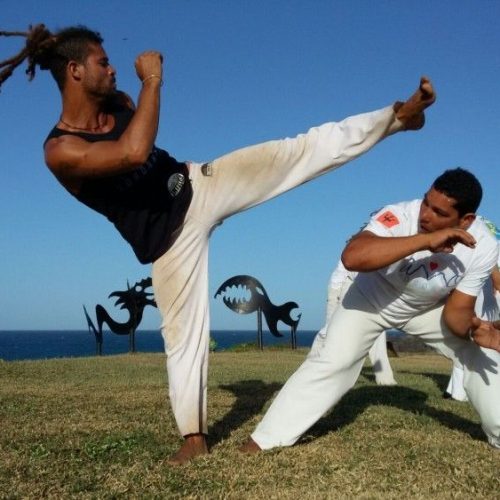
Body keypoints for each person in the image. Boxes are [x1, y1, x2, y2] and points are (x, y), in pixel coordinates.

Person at [0, 25, 436, 464]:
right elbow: (133, 153)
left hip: (196, 186)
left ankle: (397, 118)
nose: (113, 68)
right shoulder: (61, 150)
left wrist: (143, 92)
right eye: (102, 61)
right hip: (167, 241)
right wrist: (152, 79)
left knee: (293, 153)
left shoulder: (120, 105)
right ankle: (194, 436)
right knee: (183, 338)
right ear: (74, 70)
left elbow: (141, 141)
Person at [242, 168, 500, 453]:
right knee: (332, 361)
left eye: (439, 212)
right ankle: (264, 441)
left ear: (466, 220)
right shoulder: (399, 215)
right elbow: (353, 256)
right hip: (370, 300)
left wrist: (477, 331)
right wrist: (426, 241)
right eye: (426, 202)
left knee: (482, 355)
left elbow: (456, 313)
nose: (425, 215)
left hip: (424, 308)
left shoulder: (484, 246)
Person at [312, 259, 397, 386]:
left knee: (377, 329)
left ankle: (385, 379)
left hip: (364, 287)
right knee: (330, 332)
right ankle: (314, 368)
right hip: (342, 287)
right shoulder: (360, 245)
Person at [445, 223, 500, 401]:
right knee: (474, 339)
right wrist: (495, 277)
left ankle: (457, 390)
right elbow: (484, 252)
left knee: (476, 341)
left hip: (486, 293)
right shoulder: (486, 229)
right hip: (483, 293)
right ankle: (460, 391)